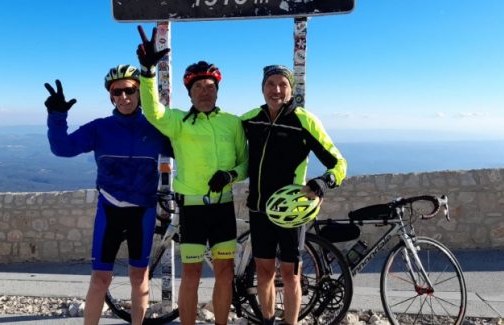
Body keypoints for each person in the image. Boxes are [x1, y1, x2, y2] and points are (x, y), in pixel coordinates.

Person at [44, 64, 173, 325]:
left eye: (130, 90)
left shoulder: (156, 127)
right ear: (110, 96)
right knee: (100, 279)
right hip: (110, 210)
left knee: (139, 276)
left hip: (142, 212)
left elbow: (189, 148)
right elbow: (62, 148)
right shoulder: (99, 128)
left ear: (139, 93)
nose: (124, 97)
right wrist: (57, 116)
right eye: (117, 92)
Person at [136, 28, 248, 325]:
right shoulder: (179, 122)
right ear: (189, 92)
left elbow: (245, 163)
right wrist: (147, 72)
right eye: (198, 88)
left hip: (222, 207)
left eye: (210, 87)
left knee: (224, 273)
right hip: (192, 209)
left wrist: (231, 174)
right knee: (192, 275)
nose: (204, 92)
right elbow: (152, 111)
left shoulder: (232, 123)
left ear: (217, 90)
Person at [241, 65, 347, 325]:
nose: (276, 90)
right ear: (262, 88)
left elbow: (339, 163)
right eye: (270, 84)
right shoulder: (250, 119)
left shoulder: (304, 120)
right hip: (259, 208)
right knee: (264, 272)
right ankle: (267, 320)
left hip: (291, 212)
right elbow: (220, 142)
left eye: (282, 84)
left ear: (291, 89)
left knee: (290, 275)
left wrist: (326, 180)